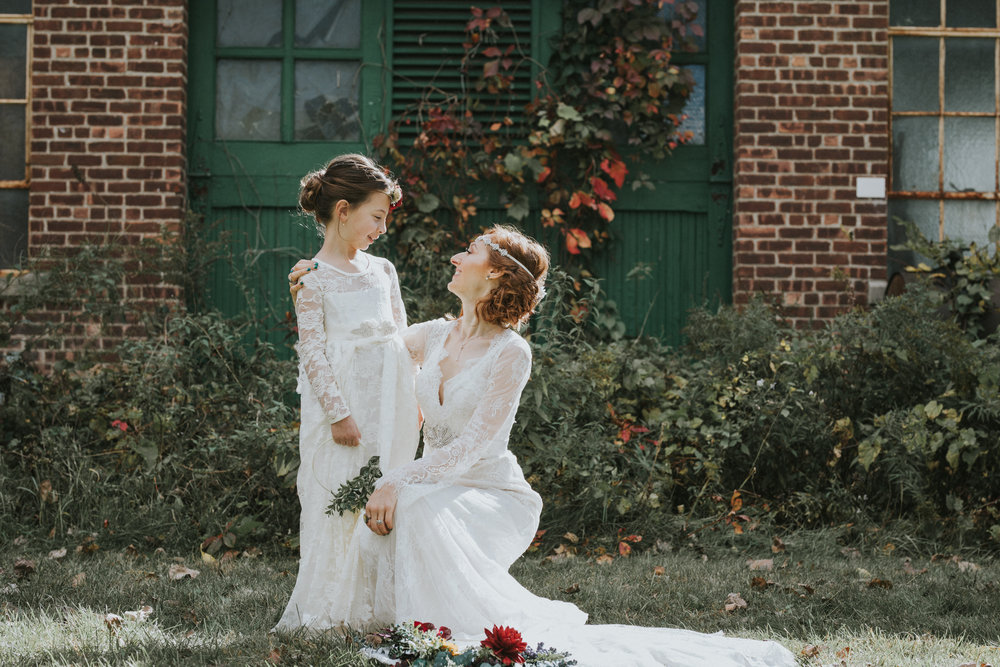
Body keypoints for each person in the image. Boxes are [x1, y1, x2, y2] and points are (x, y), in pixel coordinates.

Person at [288, 224, 797, 666]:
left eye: (469, 252)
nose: (455, 257)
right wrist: (313, 290)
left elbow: (469, 449)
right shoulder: (434, 337)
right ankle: (390, 623)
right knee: (409, 505)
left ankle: (434, 636)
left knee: (414, 506)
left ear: (492, 275)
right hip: (432, 483)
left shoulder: (512, 353)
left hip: (490, 492)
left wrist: (396, 477)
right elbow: (367, 345)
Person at [272, 154, 420, 632]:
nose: (381, 228)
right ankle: (332, 609)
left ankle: (381, 607)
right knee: (337, 497)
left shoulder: (383, 271)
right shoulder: (312, 277)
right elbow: (311, 352)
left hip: (389, 401)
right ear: (342, 210)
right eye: (376, 216)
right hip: (343, 407)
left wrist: (417, 395)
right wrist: (339, 414)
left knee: (384, 494)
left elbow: (403, 336)